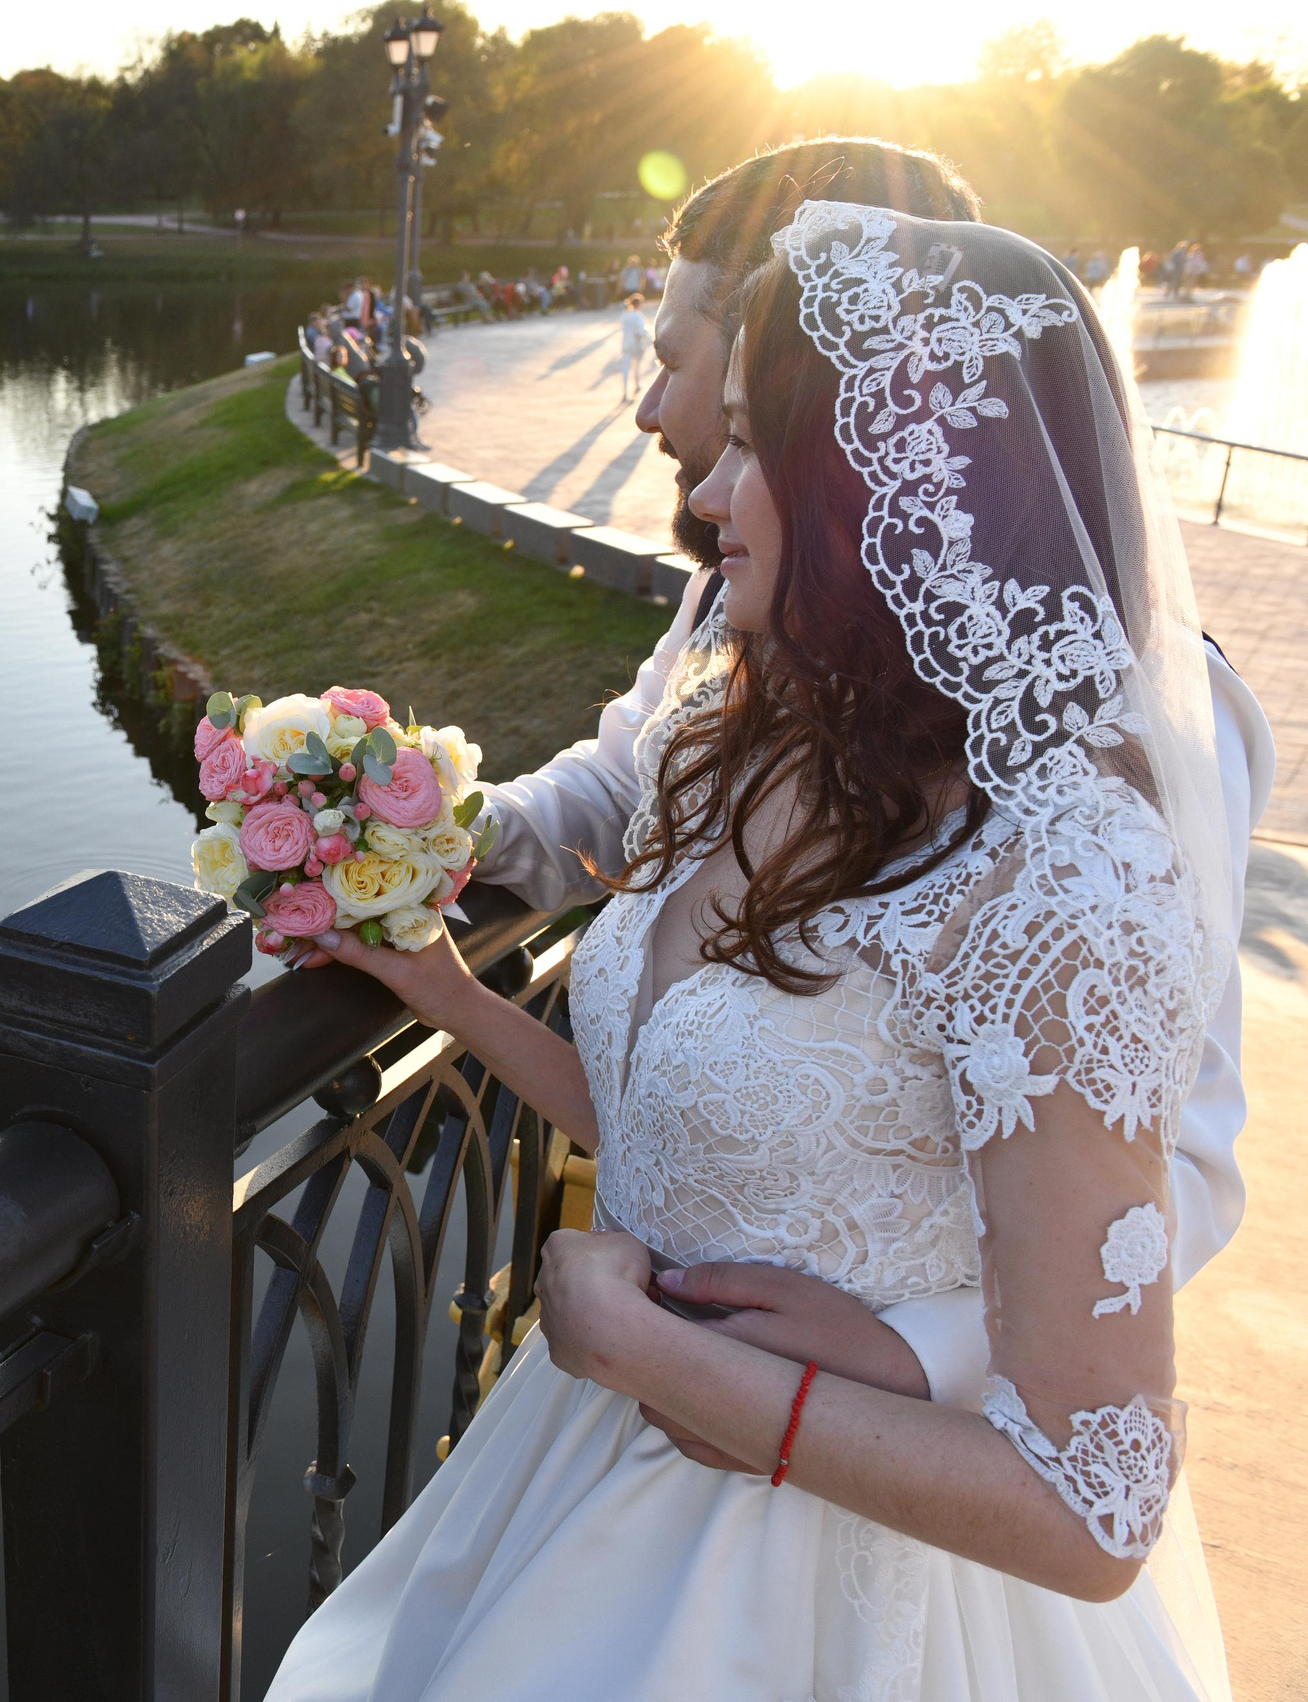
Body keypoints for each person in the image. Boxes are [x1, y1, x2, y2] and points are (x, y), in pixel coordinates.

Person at [268, 194, 1257, 1702]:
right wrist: (442, 988)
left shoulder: (1058, 877)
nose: (706, 494)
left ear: (877, 479)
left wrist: (658, 1355)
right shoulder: (732, 734)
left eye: (748, 444)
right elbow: (687, 1129)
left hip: (835, 1568)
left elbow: (1095, 1504)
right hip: (581, 1458)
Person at [616, 294, 650, 400]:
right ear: (639, 304)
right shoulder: (639, 317)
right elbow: (641, 332)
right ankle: (636, 385)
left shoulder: (625, 316)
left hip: (626, 344)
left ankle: (625, 391)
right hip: (636, 346)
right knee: (636, 368)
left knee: (626, 369)